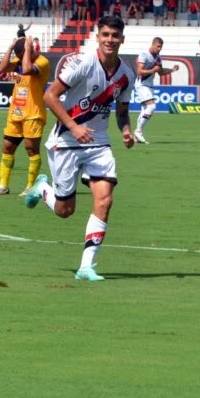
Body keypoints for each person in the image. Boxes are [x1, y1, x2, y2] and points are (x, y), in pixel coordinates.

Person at [23, 16, 135, 282]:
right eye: (105, 34)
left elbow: (121, 111)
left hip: (99, 144)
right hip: (66, 141)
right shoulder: (84, 63)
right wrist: (73, 127)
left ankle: (86, 267)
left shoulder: (126, 76)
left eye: (115, 35)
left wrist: (127, 131)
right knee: (65, 211)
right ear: (98, 37)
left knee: (105, 200)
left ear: (122, 39)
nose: (110, 39)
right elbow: (50, 96)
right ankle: (43, 188)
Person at [0, 35, 50, 196]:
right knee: (7, 147)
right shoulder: (19, 60)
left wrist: (27, 49)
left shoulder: (42, 62)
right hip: (16, 112)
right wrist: (11, 46)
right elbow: (3, 67)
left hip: (33, 114)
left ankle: (30, 186)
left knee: (31, 149)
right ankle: (3, 186)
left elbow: (27, 69)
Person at [133, 37, 177, 144]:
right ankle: (138, 131)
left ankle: (137, 136)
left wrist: (172, 70)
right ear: (153, 44)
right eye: (158, 46)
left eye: (161, 47)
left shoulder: (158, 57)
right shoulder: (144, 54)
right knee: (152, 106)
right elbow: (139, 72)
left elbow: (161, 72)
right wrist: (153, 70)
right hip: (141, 84)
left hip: (150, 85)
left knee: (145, 109)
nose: (159, 49)